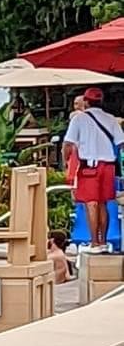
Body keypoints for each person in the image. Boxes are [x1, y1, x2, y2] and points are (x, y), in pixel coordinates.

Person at [63, 89, 123, 249]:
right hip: (108, 166)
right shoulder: (111, 119)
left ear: (86, 102)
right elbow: (121, 143)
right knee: (103, 203)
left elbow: (68, 144)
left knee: (91, 203)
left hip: (89, 167)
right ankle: (103, 241)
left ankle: (94, 242)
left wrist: (66, 162)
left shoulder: (79, 119)